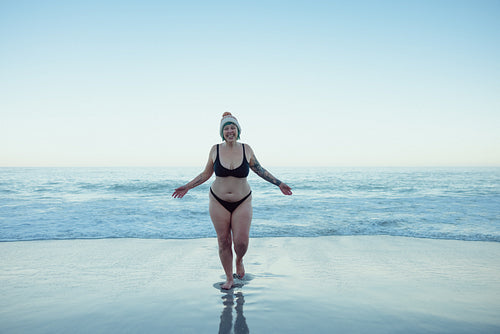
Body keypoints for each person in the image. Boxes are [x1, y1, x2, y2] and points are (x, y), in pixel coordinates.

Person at [172, 112, 292, 289]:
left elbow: (260, 169)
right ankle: (229, 278)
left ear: (238, 131)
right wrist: (187, 186)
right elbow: (206, 174)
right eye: (226, 128)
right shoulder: (215, 149)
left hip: (242, 200)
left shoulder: (246, 149)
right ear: (222, 132)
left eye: (232, 128)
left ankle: (240, 260)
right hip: (217, 200)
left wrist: (279, 183)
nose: (230, 131)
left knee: (241, 242)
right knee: (223, 240)